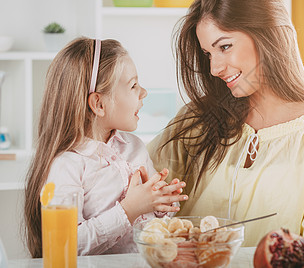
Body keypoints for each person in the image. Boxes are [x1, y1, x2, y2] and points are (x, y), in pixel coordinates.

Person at [147, 0, 304, 247]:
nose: (215, 68)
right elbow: (137, 183)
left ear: (267, 34)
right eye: (209, 54)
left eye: (225, 47)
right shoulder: (196, 119)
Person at [24, 37, 188, 257]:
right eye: (133, 85)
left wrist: (159, 205)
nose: (143, 93)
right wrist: (129, 210)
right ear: (99, 104)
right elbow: (64, 244)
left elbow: (150, 230)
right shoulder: (67, 166)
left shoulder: (135, 148)